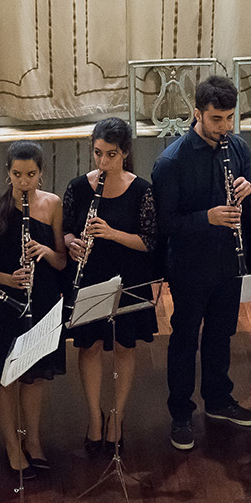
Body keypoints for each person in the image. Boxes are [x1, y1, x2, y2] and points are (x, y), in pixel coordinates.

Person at [152, 75, 251, 451]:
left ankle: (218, 400)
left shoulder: (238, 147)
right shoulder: (171, 162)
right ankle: (180, 414)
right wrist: (208, 217)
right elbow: (165, 225)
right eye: (217, 119)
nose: (225, 127)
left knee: (221, 334)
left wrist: (249, 192)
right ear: (196, 113)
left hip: (229, 262)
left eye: (230, 117)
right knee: (185, 339)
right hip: (189, 266)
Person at [63, 117, 159, 452]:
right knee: (88, 347)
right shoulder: (77, 187)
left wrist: (110, 232)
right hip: (89, 278)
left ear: (125, 153)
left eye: (111, 155)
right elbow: (65, 230)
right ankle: (94, 416)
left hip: (127, 278)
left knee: (124, 346)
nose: (103, 162)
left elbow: (149, 242)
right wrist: (72, 242)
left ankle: (117, 416)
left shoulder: (142, 190)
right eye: (98, 153)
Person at [0, 141, 67, 475]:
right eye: (17, 174)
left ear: (41, 173)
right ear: (8, 173)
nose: (24, 182)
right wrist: (9, 280)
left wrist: (44, 250)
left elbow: (61, 261)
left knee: (34, 376)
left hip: (41, 300)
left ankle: (34, 441)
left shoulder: (53, 205)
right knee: (4, 377)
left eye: (30, 174)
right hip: (5, 303)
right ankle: (13, 447)